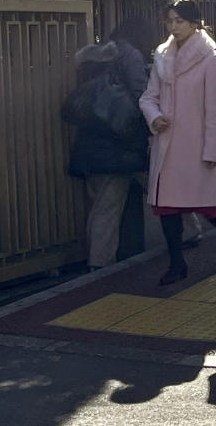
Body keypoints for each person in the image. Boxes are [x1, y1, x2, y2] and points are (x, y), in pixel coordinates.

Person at [139, 0, 216, 285]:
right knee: (167, 207)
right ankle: (176, 263)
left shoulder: (212, 59)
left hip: (195, 146)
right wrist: (154, 116)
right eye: (169, 21)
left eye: (179, 21)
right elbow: (148, 96)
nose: (173, 26)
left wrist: (212, 150)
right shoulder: (161, 55)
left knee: (208, 207)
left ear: (195, 23)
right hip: (167, 143)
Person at [63, 19, 151, 270]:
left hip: (90, 144)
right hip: (123, 145)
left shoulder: (90, 60)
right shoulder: (131, 55)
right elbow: (141, 95)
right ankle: (99, 265)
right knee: (158, 190)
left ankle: (98, 262)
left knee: (100, 205)